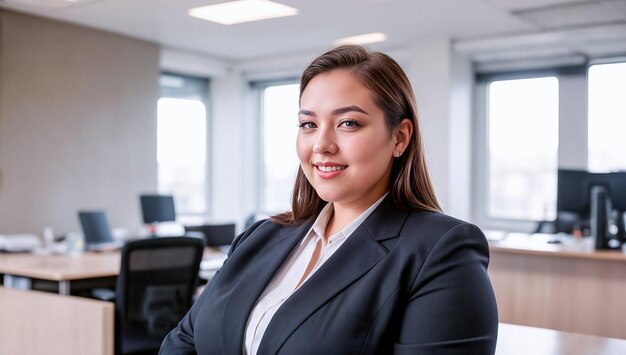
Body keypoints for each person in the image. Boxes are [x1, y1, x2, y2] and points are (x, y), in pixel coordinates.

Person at [160, 45, 498, 355]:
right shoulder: (260, 236)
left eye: (348, 123)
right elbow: (183, 342)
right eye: (308, 124)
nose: (321, 144)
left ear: (399, 137)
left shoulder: (441, 251)